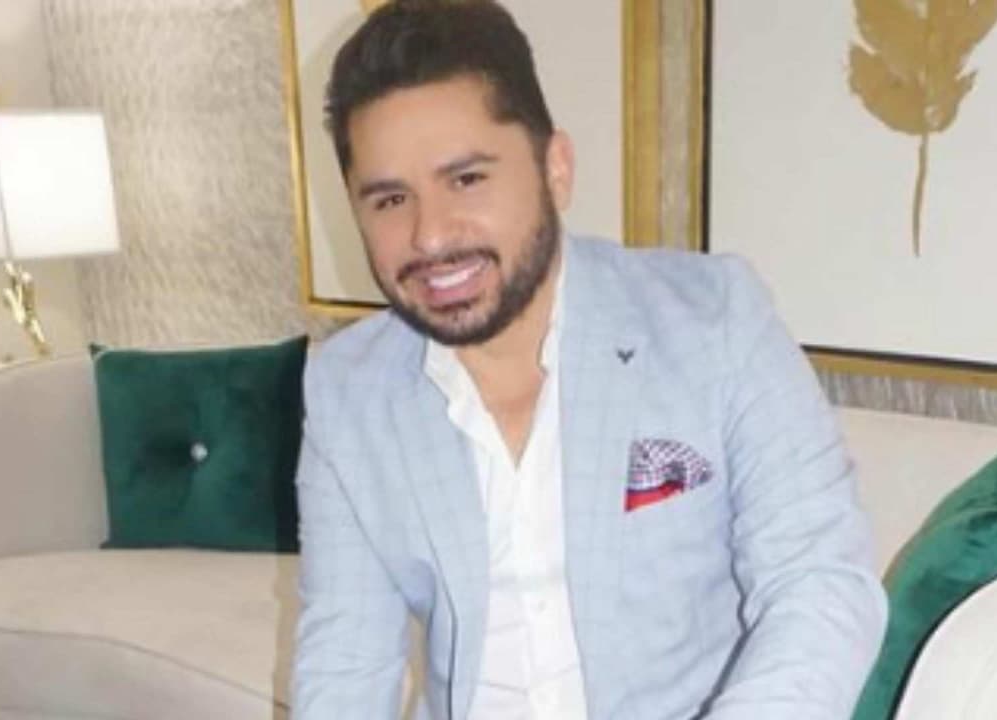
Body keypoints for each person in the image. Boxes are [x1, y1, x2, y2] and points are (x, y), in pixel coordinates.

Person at [290, 1, 887, 718]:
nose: (431, 236)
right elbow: (345, 661)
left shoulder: (714, 320)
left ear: (556, 169)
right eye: (390, 199)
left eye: (467, 179)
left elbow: (820, 582)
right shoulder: (347, 390)